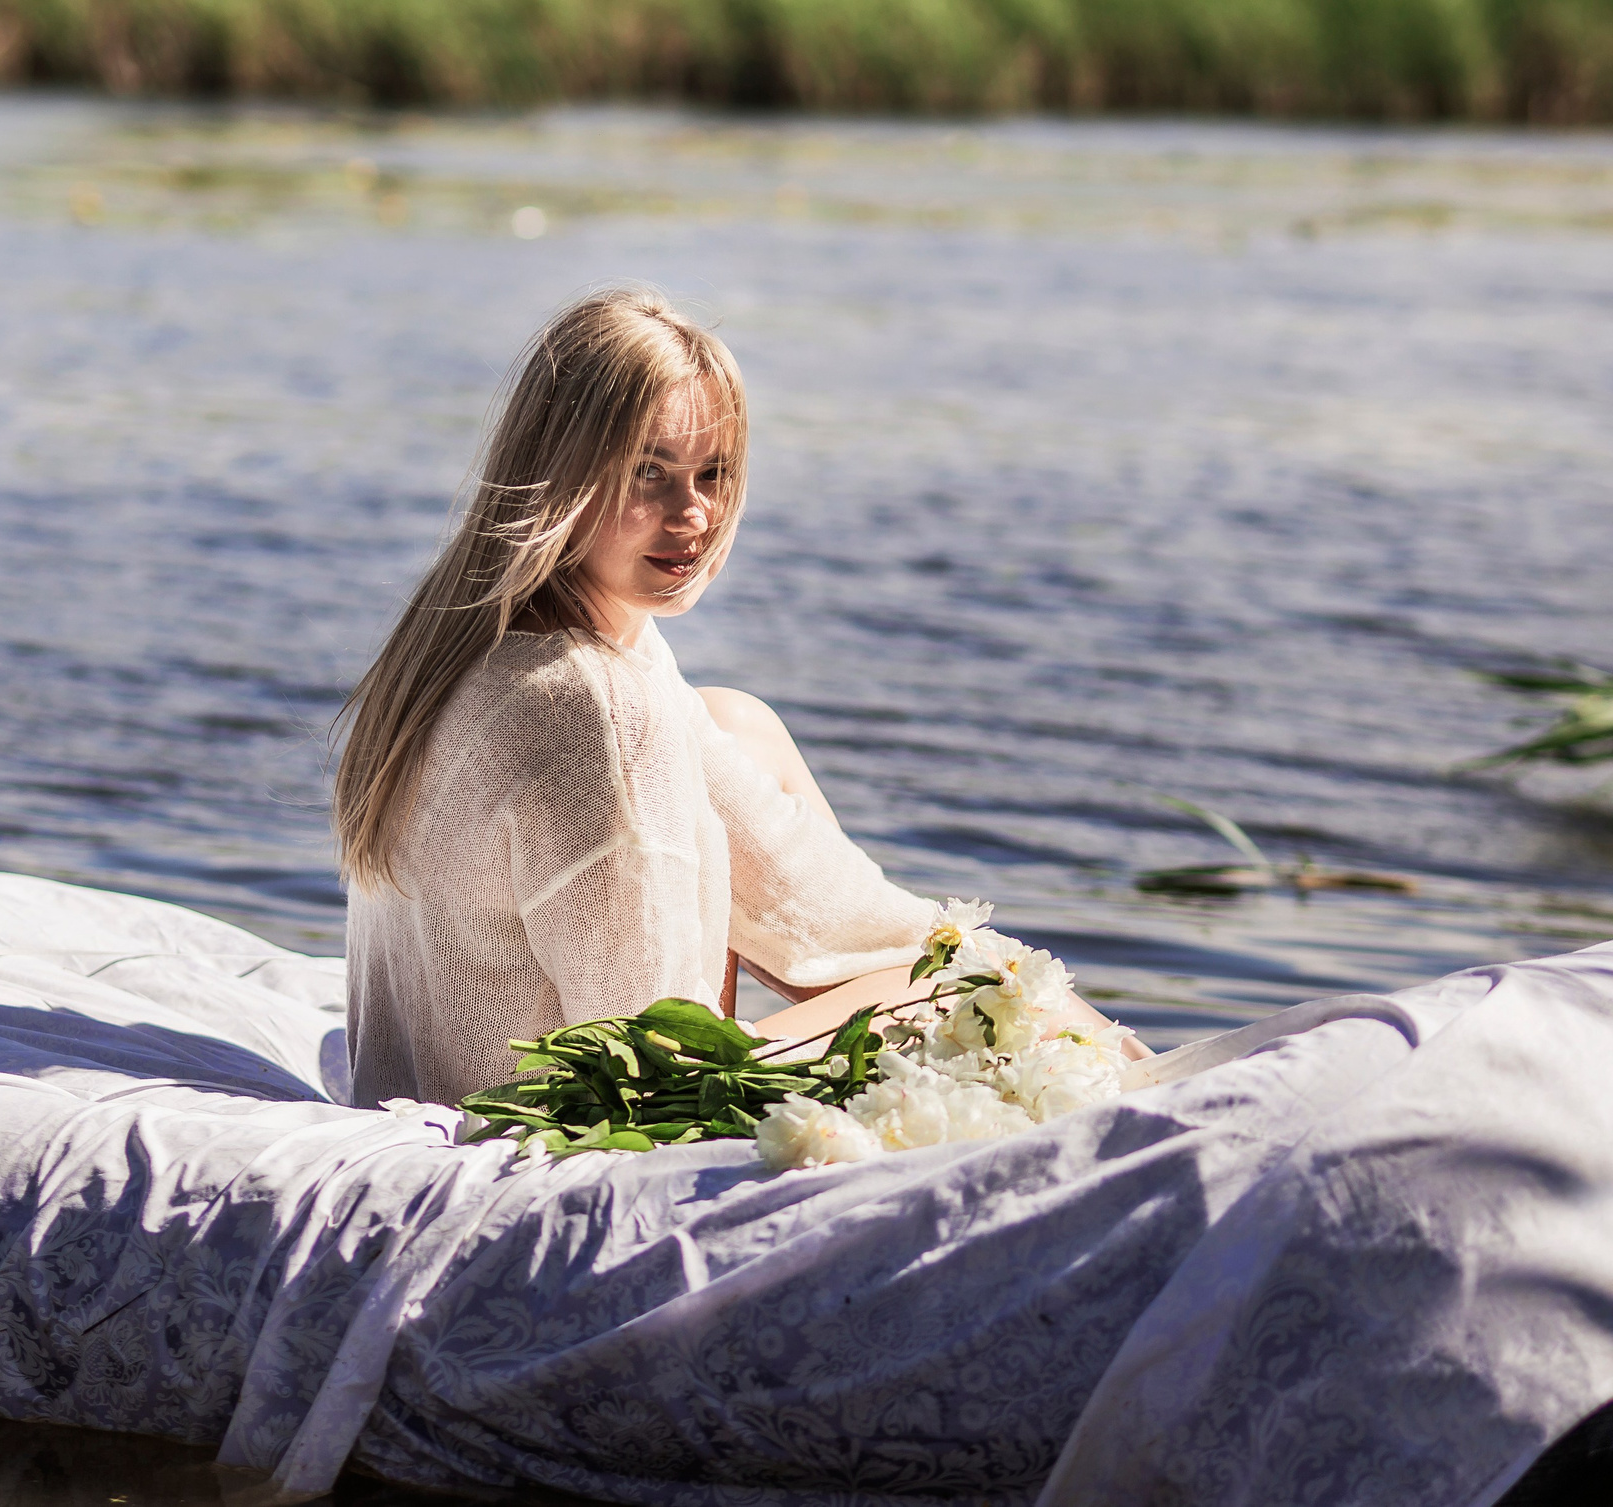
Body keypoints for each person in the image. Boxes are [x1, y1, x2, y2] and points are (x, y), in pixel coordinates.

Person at [334, 287, 1139, 1107]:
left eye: (713, 472)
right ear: (562, 474)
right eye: (648, 472)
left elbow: (822, 902)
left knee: (738, 723)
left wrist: (1017, 984)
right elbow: (641, 1067)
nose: (694, 512)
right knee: (969, 998)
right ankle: (1121, 1069)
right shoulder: (596, 712)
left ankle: (1097, 1046)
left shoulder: (478, 637)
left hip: (439, 1080)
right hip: (540, 1122)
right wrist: (1003, 1000)